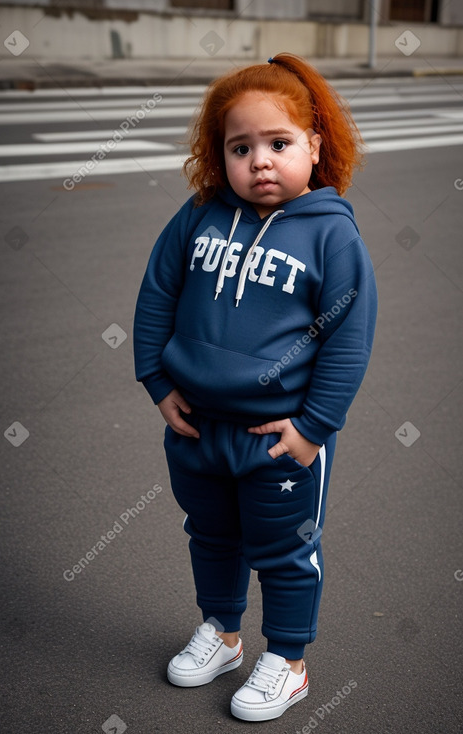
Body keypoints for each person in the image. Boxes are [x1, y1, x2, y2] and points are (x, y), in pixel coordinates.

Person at [133, 52, 377, 723]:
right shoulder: (201, 215)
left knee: (285, 549)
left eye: (278, 143)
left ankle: (289, 660)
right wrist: (156, 380)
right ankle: (222, 633)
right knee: (208, 536)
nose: (259, 162)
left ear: (314, 145)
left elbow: (347, 340)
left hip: (277, 437)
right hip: (195, 429)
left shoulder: (330, 233)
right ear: (220, 157)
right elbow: (156, 294)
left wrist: (312, 428)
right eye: (240, 148)